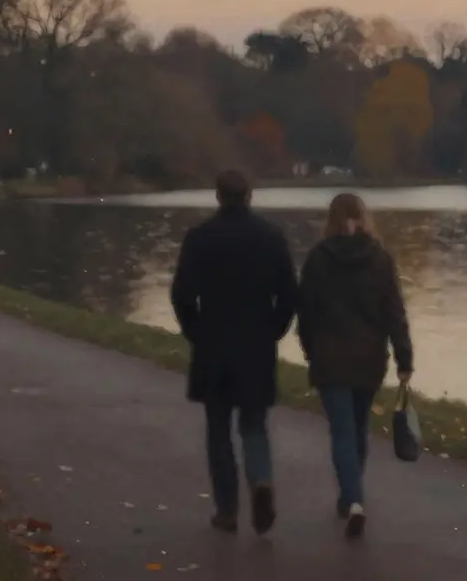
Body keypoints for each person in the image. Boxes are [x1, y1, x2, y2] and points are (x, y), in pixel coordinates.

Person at [170, 169, 298, 536]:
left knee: (218, 429)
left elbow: (181, 294)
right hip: (256, 345)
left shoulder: (199, 238)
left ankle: (227, 509)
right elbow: (289, 293)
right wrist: (274, 328)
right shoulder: (271, 238)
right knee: (254, 424)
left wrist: (194, 330)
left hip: (213, 345)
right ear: (249, 196)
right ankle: (260, 479)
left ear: (218, 196)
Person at [296, 192, 414, 538]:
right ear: (363, 217)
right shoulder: (380, 259)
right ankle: (352, 497)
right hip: (369, 357)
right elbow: (394, 312)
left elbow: (306, 311)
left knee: (342, 431)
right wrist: (404, 357)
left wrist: (309, 350)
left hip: (330, 358)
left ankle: (353, 499)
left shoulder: (318, 259)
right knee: (358, 427)